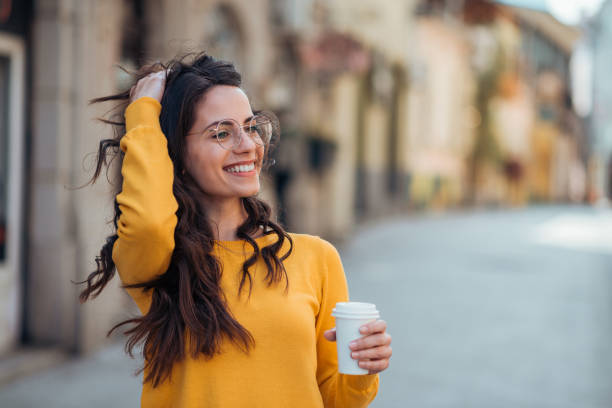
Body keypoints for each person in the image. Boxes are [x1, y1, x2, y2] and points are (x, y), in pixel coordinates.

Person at [78, 53, 392, 407]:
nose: (247, 145)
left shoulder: (316, 257)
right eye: (222, 133)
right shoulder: (160, 260)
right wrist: (143, 110)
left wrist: (363, 368)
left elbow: (336, 399)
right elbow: (149, 222)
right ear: (175, 155)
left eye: (251, 126)